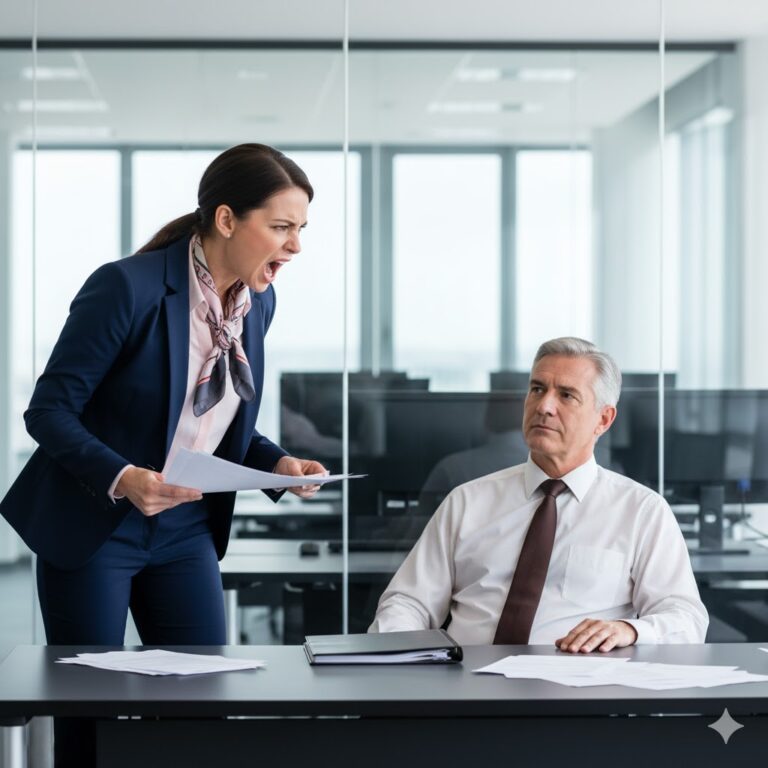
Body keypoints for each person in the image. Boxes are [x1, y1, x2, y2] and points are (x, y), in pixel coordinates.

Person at [0, 143, 326, 766]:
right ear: (227, 219)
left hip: (184, 530)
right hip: (99, 524)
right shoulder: (128, 287)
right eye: (281, 228)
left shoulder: (258, 305)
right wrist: (124, 477)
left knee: (202, 705)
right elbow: (48, 410)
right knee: (90, 714)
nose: (294, 247)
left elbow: (214, 425)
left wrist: (278, 462)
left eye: (301, 230)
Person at [370, 337, 708, 652]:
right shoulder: (467, 501)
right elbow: (409, 602)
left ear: (603, 419)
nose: (544, 406)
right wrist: (398, 665)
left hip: (579, 696)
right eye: (537, 389)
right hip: (467, 690)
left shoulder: (641, 511)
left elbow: (686, 618)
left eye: (566, 395)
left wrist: (630, 630)